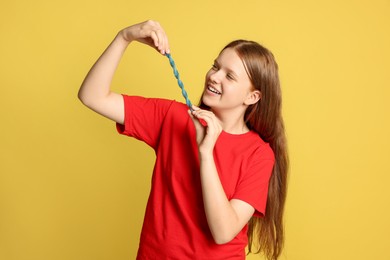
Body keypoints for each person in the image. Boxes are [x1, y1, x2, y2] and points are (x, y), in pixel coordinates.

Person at [78, 20, 288, 260]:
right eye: (215, 66)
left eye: (229, 76)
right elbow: (92, 95)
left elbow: (223, 232)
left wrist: (206, 152)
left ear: (252, 96)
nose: (214, 76)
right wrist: (124, 37)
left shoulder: (259, 154)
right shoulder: (174, 118)